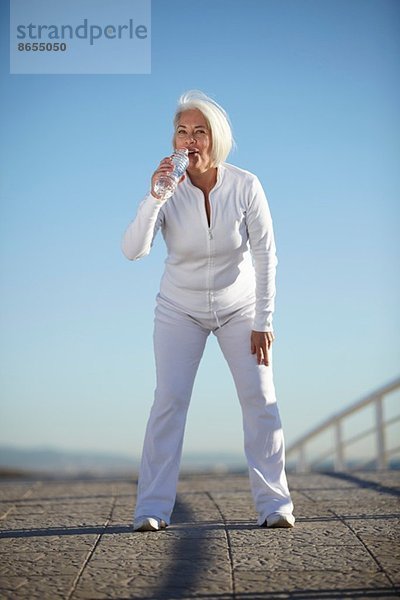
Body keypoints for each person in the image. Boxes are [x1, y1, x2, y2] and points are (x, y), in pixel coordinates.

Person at [122, 90, 295, 531]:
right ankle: (151, 510)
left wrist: (264, 320)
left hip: (241, 308)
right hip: (179, 308)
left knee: (260, 399)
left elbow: (266, 255)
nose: (190, 140)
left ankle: (275, 505)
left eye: (200, 132)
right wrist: (155, 197)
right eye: (182, 132)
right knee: (169, 401)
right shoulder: (166, 188)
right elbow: (133, 251)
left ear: (216, 139)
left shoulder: (245, 185)